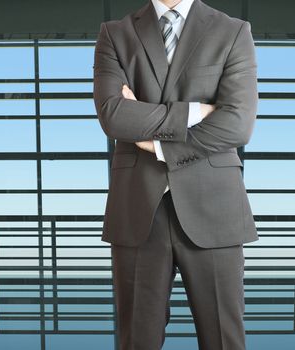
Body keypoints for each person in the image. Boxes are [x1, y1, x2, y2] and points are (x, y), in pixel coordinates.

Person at [92, 0, 259, 349]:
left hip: (215, 207)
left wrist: (160, 145)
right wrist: (198, 111)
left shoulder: (232, 31)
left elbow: (238, 124)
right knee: (137, 341)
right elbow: (114, 116)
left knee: (224, 341)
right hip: (137, 208)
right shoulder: (115, 34)